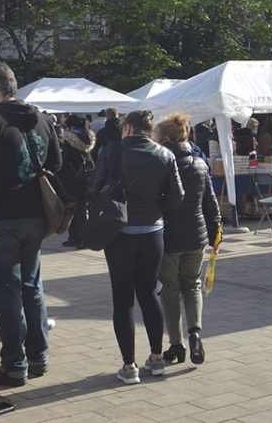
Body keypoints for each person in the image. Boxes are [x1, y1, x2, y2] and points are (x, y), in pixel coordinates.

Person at [0, 59, 62, 387]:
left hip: (0, 218)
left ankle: (14, 365)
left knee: (7, 292)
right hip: (37, 216)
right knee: (32, 287)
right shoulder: (40, 118)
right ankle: (39, 357)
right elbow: (55, 162)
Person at [88, 110, 183, 385]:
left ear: (127, 128)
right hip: (153, 231)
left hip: (119, 233)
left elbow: (94, 188)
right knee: (149, 293)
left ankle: (128, 366)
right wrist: (155, 208)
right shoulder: (165, 155)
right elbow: (177, 197)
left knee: (123, 299)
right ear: (149, 129)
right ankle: (156, 359)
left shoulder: (111, 152)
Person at [154, 113, 221, 366]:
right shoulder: (199, 164)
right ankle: (195, 333)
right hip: (196, 235)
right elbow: (211, 203)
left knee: (169, 289)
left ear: (167, 139)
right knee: (192, 285)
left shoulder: (160, 164)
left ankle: (176, 344)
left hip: (169, 236)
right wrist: (216, 231)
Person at [59, 115, 95, 249]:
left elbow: (64, 161)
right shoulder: (88, 139)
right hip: (86, 177)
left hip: (72, 179)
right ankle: (82, 237)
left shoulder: (69, 140)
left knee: (74, 210)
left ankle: (77, 238)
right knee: (82, 209)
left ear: (71, 126)